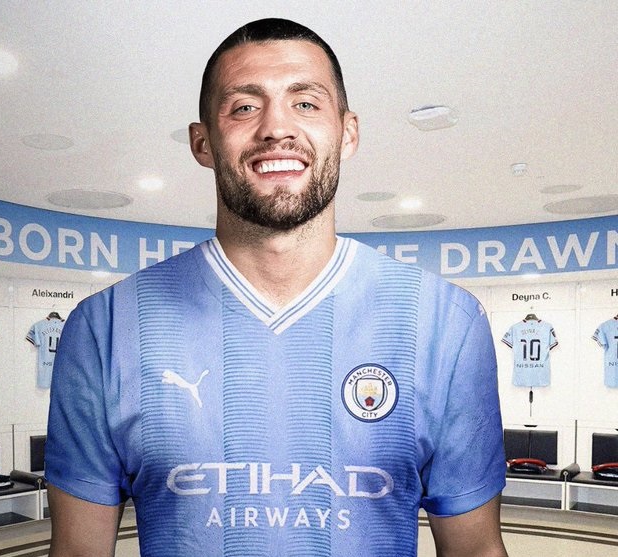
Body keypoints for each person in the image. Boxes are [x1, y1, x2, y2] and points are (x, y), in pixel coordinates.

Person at [46, 17, 509, 557]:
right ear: (202, 142)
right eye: (244, 107)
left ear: (348, 133)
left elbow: (476, 549)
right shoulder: (104, 328)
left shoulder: (446, 322)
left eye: (305, 103)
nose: (276, 128)